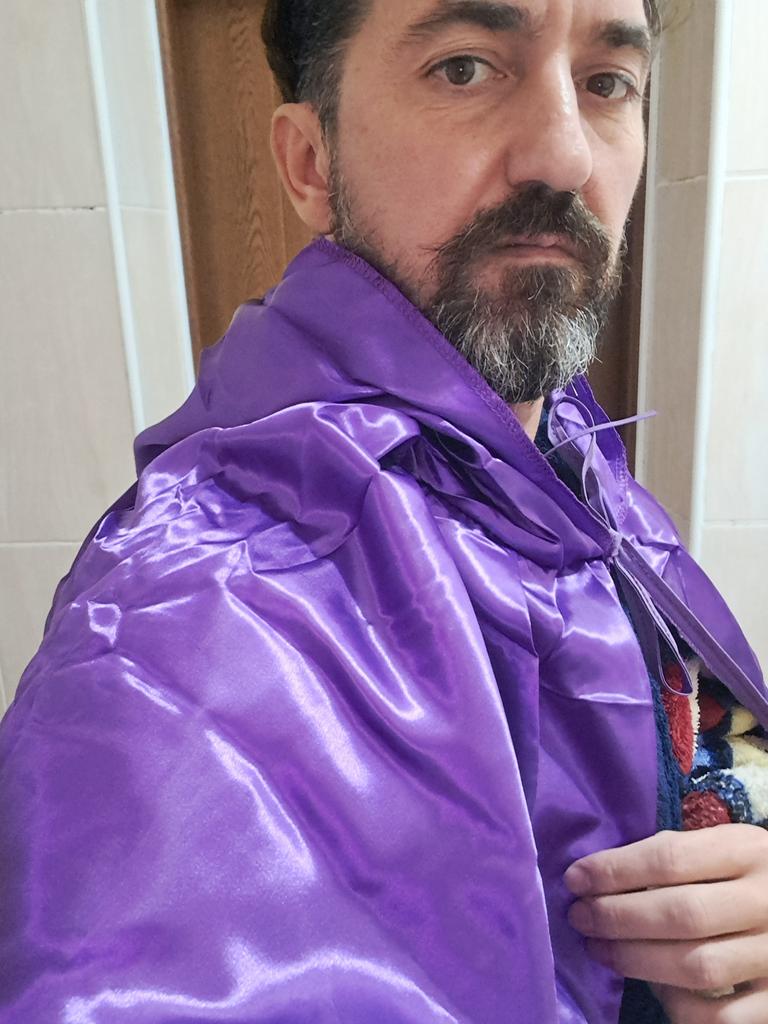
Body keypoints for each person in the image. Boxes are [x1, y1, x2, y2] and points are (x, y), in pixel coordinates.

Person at [1, 1, 767, 1021]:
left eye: (606, 83)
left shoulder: (565, 442)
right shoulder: (188, 621)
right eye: (465, 68)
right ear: (311, 162)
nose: (564, 156)